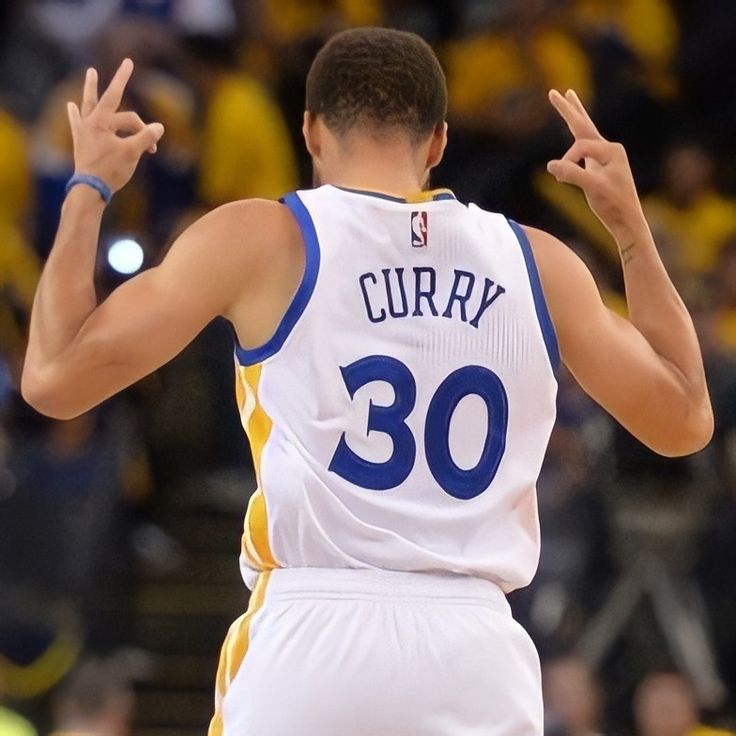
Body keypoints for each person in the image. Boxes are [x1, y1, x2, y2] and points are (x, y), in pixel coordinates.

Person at [20, 27, 712, 736]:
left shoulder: (261, 239)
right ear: (439, 141)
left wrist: (88, 188)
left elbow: (52, 379)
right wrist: (630, 231)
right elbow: (684, 418)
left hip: (314, 635)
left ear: (312, 131)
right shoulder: (538, 262)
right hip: (475, 650)